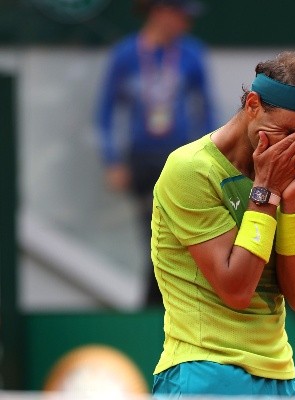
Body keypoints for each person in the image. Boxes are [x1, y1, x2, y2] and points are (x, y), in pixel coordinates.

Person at [150, 51, 295, 397]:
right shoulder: (189, 170)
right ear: (252, 105)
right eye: (286, 132)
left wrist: (290, 201)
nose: (294, 148)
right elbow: (236, 289)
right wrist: (266, 192)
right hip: (203, 371)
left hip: (281, 378)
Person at [95, 0, 216, 307]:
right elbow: (105, 113)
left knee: (176, 235)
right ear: (161, 12)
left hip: (181, 160)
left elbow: (207, 110)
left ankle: (157, 305)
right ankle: (157, 306)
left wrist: (211, 156)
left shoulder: (192, 54)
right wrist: (112, 161)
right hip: (142, 160)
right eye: (181, 16)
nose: (185, 24)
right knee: (155, 234)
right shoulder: (126, 55)